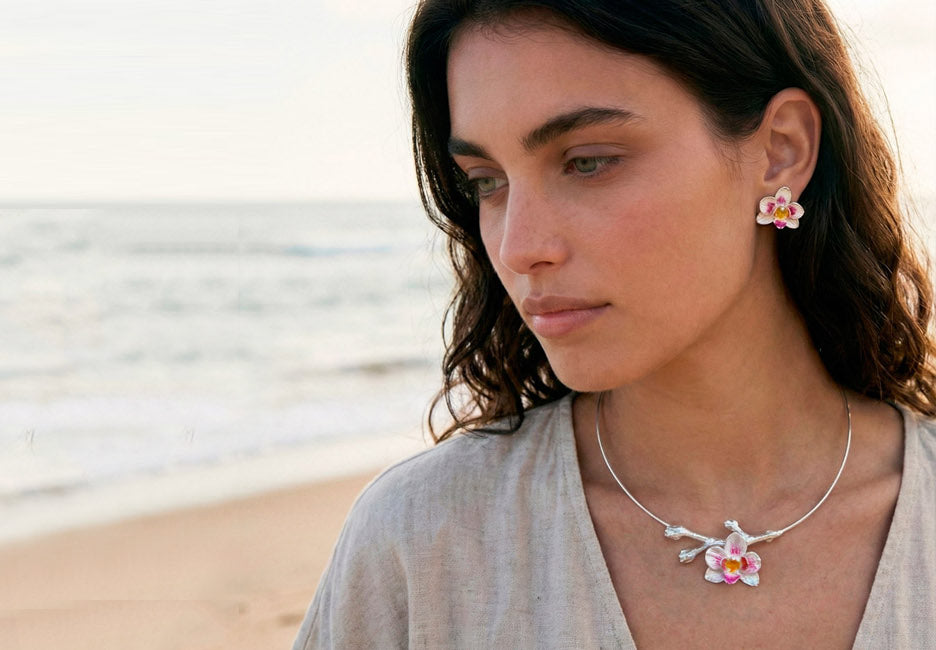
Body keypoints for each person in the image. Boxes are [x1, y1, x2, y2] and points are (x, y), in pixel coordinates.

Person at [294, 0, 936, 647]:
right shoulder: (422, 542)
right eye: (487, 181)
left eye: (588, 161)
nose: (519, 247)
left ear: (780, 152)